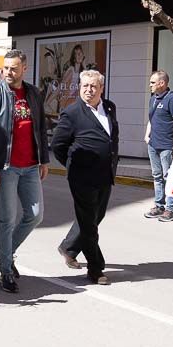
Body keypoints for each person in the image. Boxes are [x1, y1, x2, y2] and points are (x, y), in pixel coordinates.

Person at [0, 50, 50, 293]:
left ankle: (4, 253)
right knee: (7, 219)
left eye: (14, 68)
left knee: (35, 214)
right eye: (6, 68)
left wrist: (44, 160)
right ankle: (6, 271)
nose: (8, 72)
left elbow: (40, 128)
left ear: (24, 69)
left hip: (30, 166)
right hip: (6, 167)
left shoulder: (33, 93)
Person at [51, 70, 120, 285]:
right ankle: (96, 269)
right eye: (84, 86)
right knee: (90, 224)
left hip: (105, 173)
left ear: (101, 88)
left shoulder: (109, 107)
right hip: (82, 176)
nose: (88, 90)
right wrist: (73, 165)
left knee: (95, 217)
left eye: (93, 86)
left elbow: (111, 138)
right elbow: (58, 145)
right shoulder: (72, 113)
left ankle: (69, 247)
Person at [144, 70, 173, 222]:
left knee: (170, 178)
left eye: (153, 82)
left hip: (167, 146)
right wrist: (147, 135)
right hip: (153, 144)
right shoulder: (153, 98)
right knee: (157, 176)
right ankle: (159, 205)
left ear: (162, 83)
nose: (150, 85)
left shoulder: (172, 99)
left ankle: (170, 209)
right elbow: (151, 118)